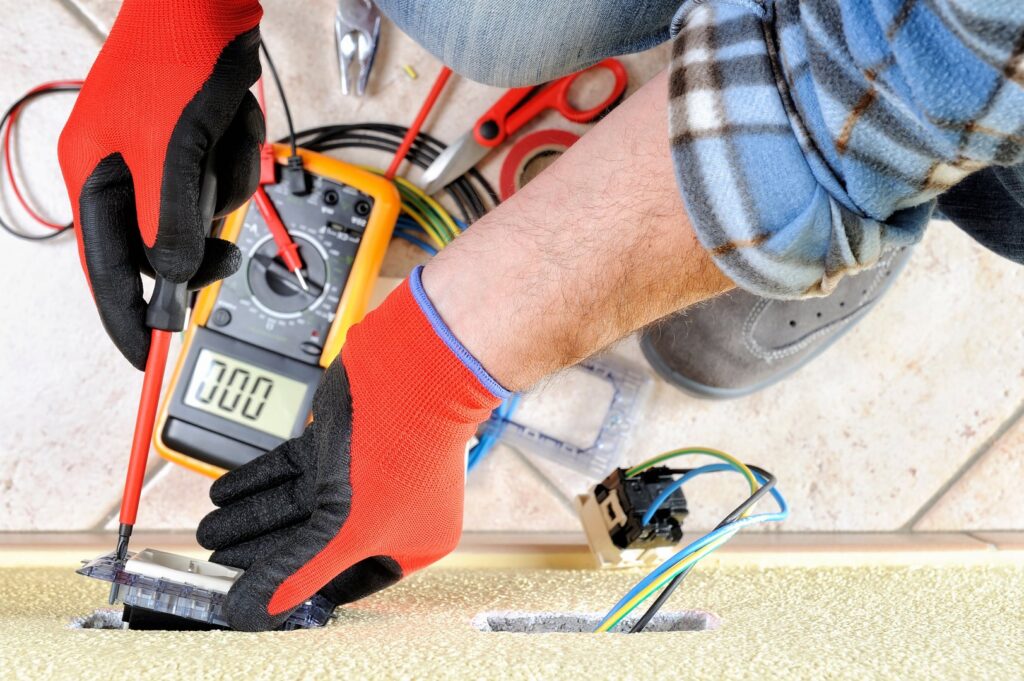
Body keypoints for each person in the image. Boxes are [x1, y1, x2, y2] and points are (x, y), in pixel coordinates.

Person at [57, 0, 1024, 631]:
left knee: (728, 317)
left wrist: (440, 373)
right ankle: (784, 220)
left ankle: (877, 206)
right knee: (491, 21)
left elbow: (881, 89)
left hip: (946, 60)